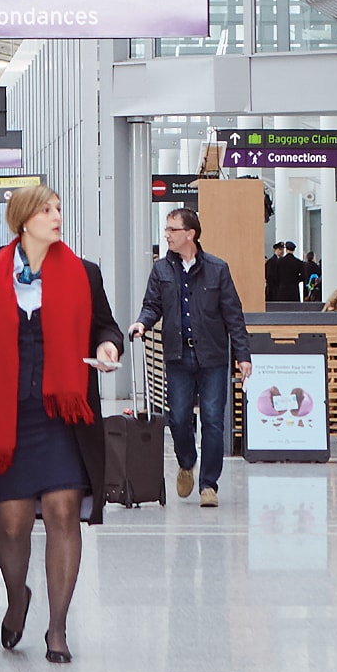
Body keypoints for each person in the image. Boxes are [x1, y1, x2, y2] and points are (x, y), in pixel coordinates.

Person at [0, 184, 122, 665]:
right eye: (46, 209)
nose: (57, 215)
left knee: (62, 513)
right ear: (22, 220)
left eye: (59, 208)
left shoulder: (84, 272)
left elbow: (106, 325)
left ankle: (57, 628)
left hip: (62, 413)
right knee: (13, 521)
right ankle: (17, 595)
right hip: (4, 415)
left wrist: (107, 348)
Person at [128, 208, 252, 508]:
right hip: (178, 356)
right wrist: (142, 323)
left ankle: (208, 484)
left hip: (212, 356)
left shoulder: (217, 269)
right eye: (166, 229)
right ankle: (186, 462)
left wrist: (243, 355)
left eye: (172, 229)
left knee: (212, 421)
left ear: (190, 234)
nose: (167, 234)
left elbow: (233, 315)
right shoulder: (161, 270)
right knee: (179, 418)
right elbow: (152, 304)